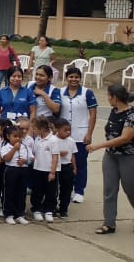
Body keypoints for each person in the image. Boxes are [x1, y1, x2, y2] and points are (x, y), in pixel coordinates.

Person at [86, 84, 134, 235]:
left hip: (128, 156)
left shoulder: (131, 115)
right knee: (109, 190)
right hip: (111, 156)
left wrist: (98, 145)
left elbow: (125, 138)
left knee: (130, 189)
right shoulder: (114, 111)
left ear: (115, 97)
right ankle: (109, 223)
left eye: (108, 96)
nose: (107, 98)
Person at [58, 67, 97, 203]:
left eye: (76, 77)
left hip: (81, 134)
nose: (73, 79)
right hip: (63, 135)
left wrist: (89, 133)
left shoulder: (87, 93)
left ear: (80, 78)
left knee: (80, 163)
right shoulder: (60, 92)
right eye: (71, 77)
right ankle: (66, 189)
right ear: (66, 78)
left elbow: (93, 114)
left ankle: (79, 190)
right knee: (64, 163)